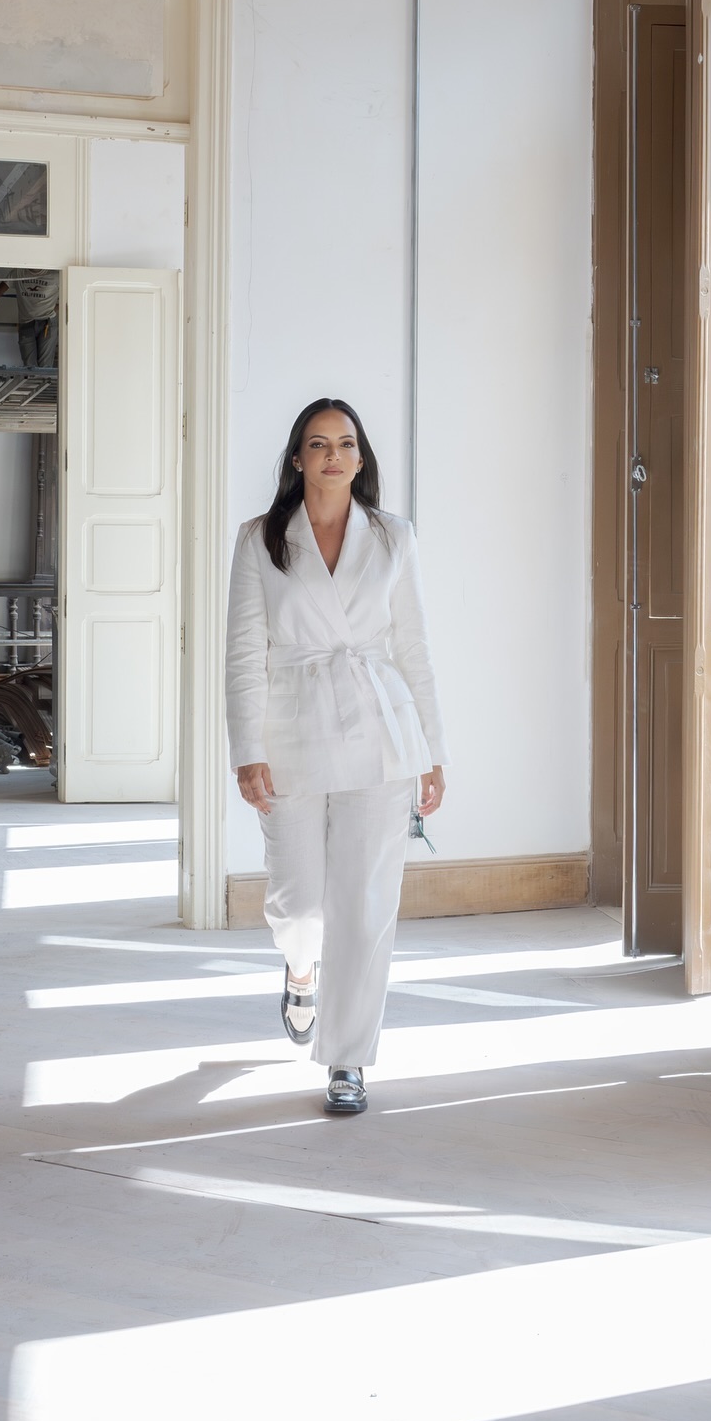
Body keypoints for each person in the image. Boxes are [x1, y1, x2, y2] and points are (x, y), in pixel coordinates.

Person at [225, 398, 447, 1116]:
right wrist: (247, 750)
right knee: (299, 899)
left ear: (360, 458)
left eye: (345, 444)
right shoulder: (260, 539)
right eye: (317, 444)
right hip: (291, 732)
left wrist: (431, 752)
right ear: (297, 457)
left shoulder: (392, 537)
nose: (332, 455)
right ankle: (299, 967)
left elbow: (412, 647)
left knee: (365, 904)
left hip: (381, 735)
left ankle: (347, 1060)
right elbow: (243, 655)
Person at [0, 270, 60, 368]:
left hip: (47, 323)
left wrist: (50, 307)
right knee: (29, 366)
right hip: (26, 323)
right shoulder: (18, 273)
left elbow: (71, 297)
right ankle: (32, 382)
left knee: (45, 366)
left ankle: (43, 381)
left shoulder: (55, 275)